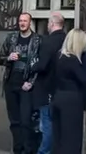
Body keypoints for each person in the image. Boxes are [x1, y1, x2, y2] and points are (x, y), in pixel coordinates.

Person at [0, 12, 43, 154]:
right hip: (11, 83)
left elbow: (40, 64)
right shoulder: (11, 38)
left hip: (26, 86)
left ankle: (28, 150)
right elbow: (0, 58)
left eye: (25, 21)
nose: (22, 23)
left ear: (30, 23)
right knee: (14, 121)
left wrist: (30, 82)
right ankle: (18, 149)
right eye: (20, 21)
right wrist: (8, 58)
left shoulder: (37, 40)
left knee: (26, 120)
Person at [50, 29, 86, 154]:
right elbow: (83, 79)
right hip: (71, 101)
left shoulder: (59, 56)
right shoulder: (72, 60)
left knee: (59, 136)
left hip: (58, 96)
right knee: (71, 137)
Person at [32, 13, 68, 154]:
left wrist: (33, 66)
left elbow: (42, 65)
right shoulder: (67, 40)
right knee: (57, 125)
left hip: (46, 88)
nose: (47, 26)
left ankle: (43, 152)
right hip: (63, 89)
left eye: (48, 23)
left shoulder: (48, 41)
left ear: (52, 24)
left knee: (46, 125)